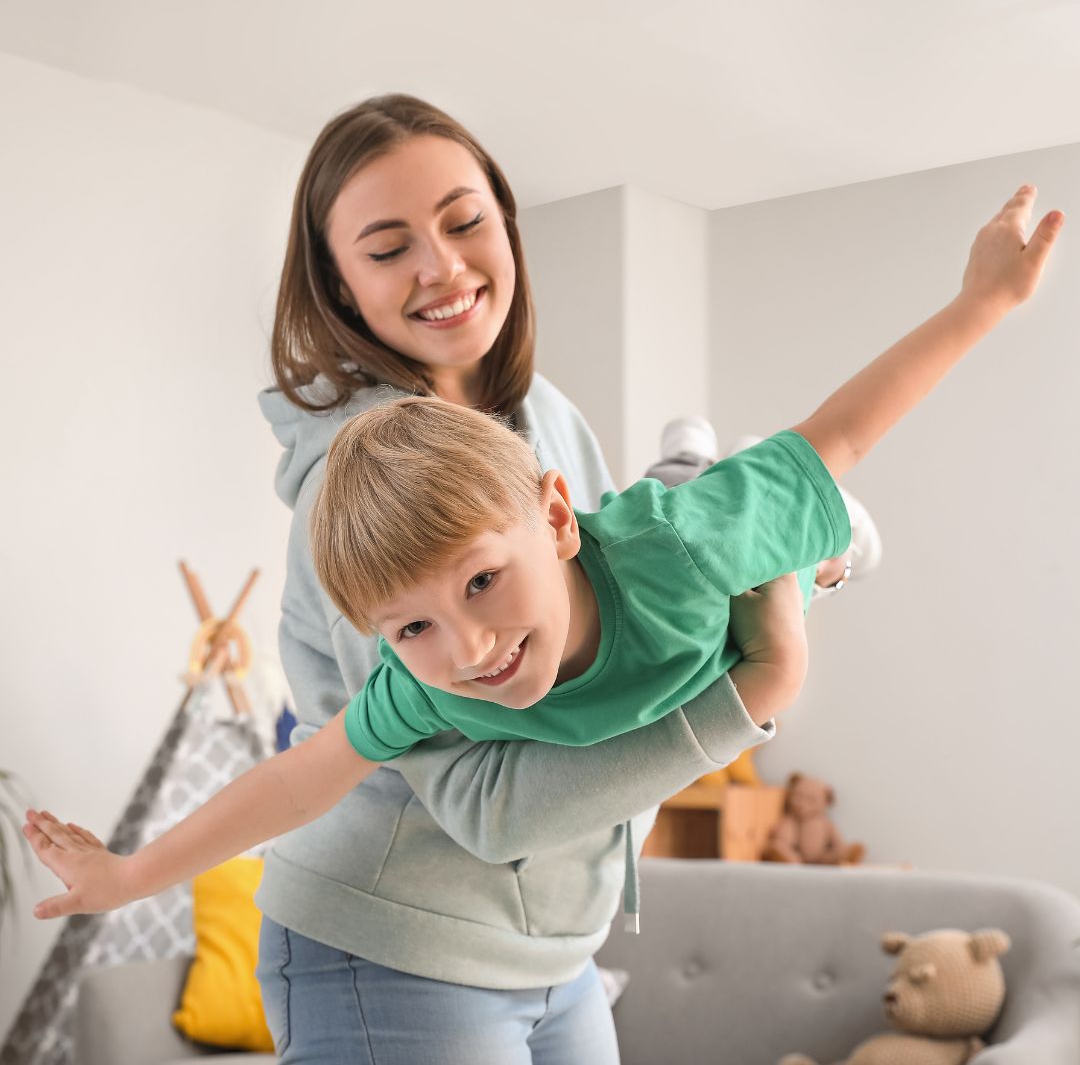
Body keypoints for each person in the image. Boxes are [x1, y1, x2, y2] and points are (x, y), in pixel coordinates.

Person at [26, 98, 1063, 1059]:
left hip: (552, 946)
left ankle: (739, 495)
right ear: (341, 284)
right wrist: (755, 688)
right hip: (396, 949)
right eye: (388, 248)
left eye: (463, 222)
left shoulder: (553, 425)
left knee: (718, 516)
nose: (439, 268)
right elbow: (361, 784)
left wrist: (979, 309)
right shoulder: (361, 521)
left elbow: (812, 456)